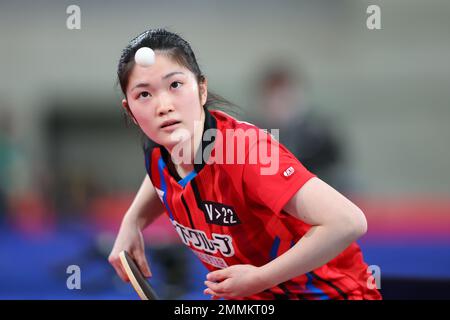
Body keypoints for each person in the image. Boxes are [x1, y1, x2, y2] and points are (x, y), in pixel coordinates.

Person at [108, 28, 381, 300]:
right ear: (129, 110)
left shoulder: (246, 152)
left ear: (202, 90)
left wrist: (261, 278)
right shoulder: (157, 149)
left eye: (175, 85)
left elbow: (348, 222)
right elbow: (163, 175)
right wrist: (132, 222)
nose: (163, 106)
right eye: (144, 94)